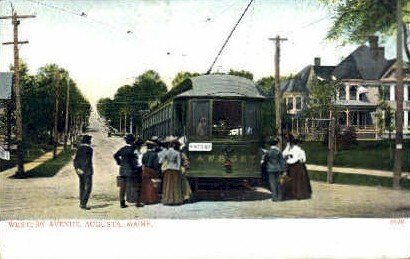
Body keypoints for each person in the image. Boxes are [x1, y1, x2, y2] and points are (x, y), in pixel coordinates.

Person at [114, 134, 141, 208]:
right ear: (132, 141)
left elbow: (115, 155)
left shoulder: (123, 149)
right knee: (135, 185)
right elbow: (136, 160)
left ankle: (122, 203)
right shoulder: (133, 149)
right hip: (131, 170)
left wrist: (119, 162)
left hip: (122, 170)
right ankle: (137, 202)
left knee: (122, 187)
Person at [282, 135, 312, 200]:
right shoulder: (294, 149)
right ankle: (295, 194)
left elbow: (285, 155)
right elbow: (303, 160)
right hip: (294, 166)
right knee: (294, 180)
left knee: (294, 180)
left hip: (293, 166)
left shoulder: (294, 150)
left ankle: (294, 194)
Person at [161, 137, 184, 205]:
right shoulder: (177, 153)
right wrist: (179, 169)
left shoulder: (166, 152)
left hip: (168, 169)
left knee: (168, 185)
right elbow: (178, 163)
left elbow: (161, 161)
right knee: (175, 185)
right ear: (174, 145)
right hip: (175, 170)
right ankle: (176, 200)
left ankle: (167, 200)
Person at [73, 135, 93, 210]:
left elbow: (75, 160)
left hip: (79, 171)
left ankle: (81, 201)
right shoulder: (89, 149)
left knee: (81, 186)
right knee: (88, 187)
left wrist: (77, 168)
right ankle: (83, 203)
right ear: (88, 141)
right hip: (87, 171)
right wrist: (84, 170)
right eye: (90, 140)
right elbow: (87, 161)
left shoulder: (79, 149)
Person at [140, 140, 161, 204]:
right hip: (152, 170)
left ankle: (145, 199)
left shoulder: (144, 154)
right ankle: (151, 199)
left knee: (145, 184)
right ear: (153, 147)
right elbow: (156, 164)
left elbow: (142, 162)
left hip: (145, 169)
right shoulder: (155, 154)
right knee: (151, 185)